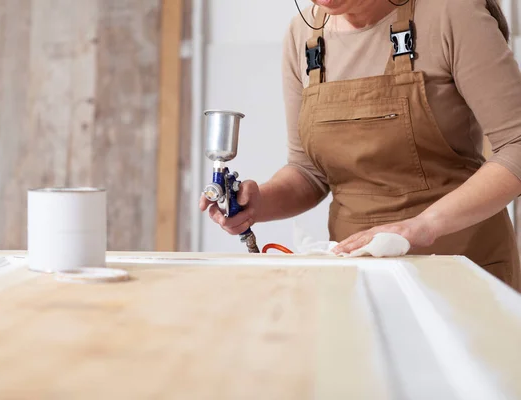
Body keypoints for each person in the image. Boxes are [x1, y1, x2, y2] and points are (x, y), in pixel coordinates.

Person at [199, 0, 521, 291]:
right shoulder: (305, 36)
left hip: (463, 275)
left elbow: (516, 145)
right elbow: (308, 171)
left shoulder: (452, 12)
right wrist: (260, 203)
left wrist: (422, 227)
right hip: (358, 284)